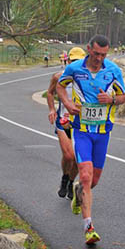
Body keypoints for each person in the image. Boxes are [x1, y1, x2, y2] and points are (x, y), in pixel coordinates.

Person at [56, 35, 125, 245]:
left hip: (103, 132)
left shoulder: (113, 70)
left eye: (103, 55)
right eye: (96, 54)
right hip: (82, 130)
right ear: (89, 49)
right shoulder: (75, 69)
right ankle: (89, 228)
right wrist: (67, 104)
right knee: (85, 175)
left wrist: (112, 99)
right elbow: (60, 86)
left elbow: (123, 97)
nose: (99, 58)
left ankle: (79, 191)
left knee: (93, 181)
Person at [47, 47, 86, 200]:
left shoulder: (88, 80)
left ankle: (70, 182)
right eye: (73, 61)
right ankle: (64, 178)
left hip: (81, 123)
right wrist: (51, 109)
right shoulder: (59, 77)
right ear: (68, 61)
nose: (75, 64)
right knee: (69, 156)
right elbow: (50, 92)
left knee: (77, 159)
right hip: (63, 120)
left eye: (79, 61)